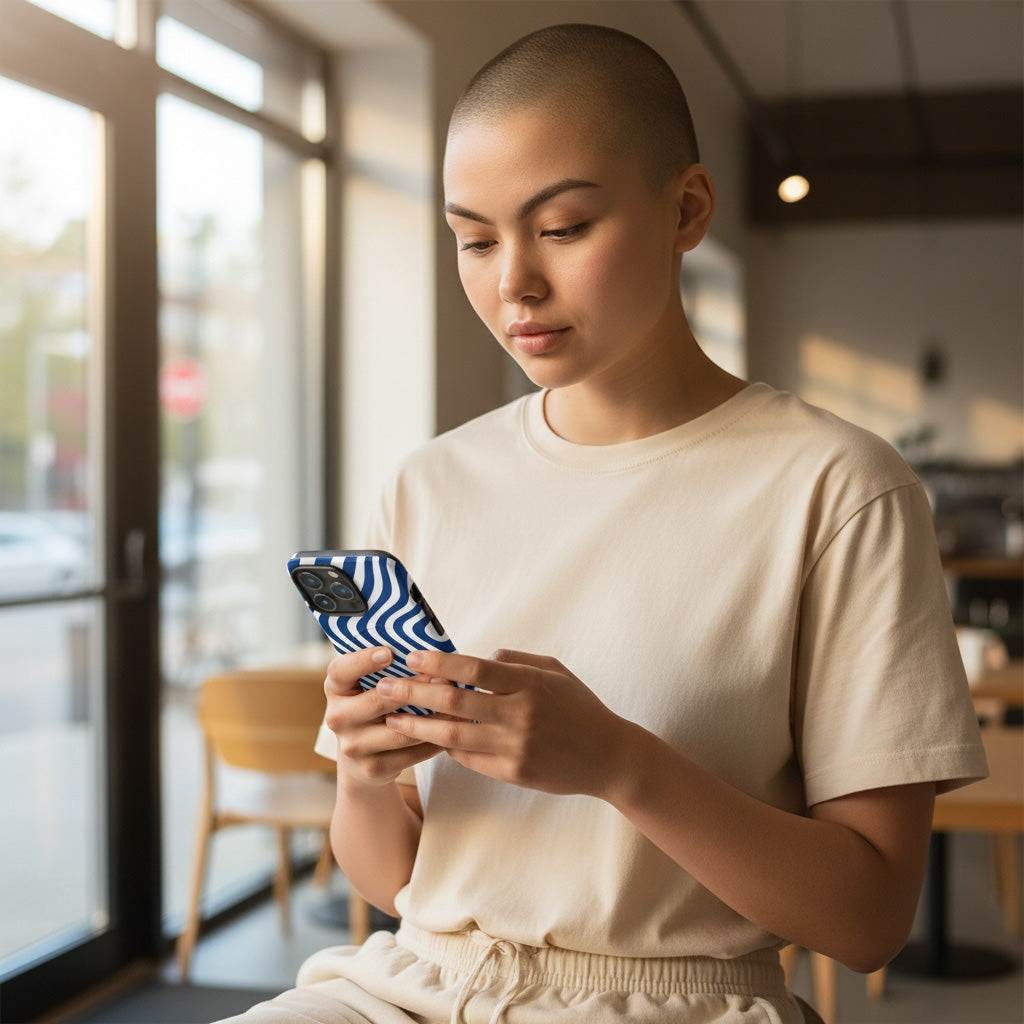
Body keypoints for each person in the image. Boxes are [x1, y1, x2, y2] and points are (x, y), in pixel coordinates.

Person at [218, 23, 987, 1024]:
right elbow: (394, 880)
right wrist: (365, 776)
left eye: (564, 226)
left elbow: (869, 918)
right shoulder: (428, 482)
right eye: (475, 239)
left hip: (675, 1001)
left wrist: (620, 764)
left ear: (688, 209)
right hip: (405, 985)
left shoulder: (839, 488)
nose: (513, 282)